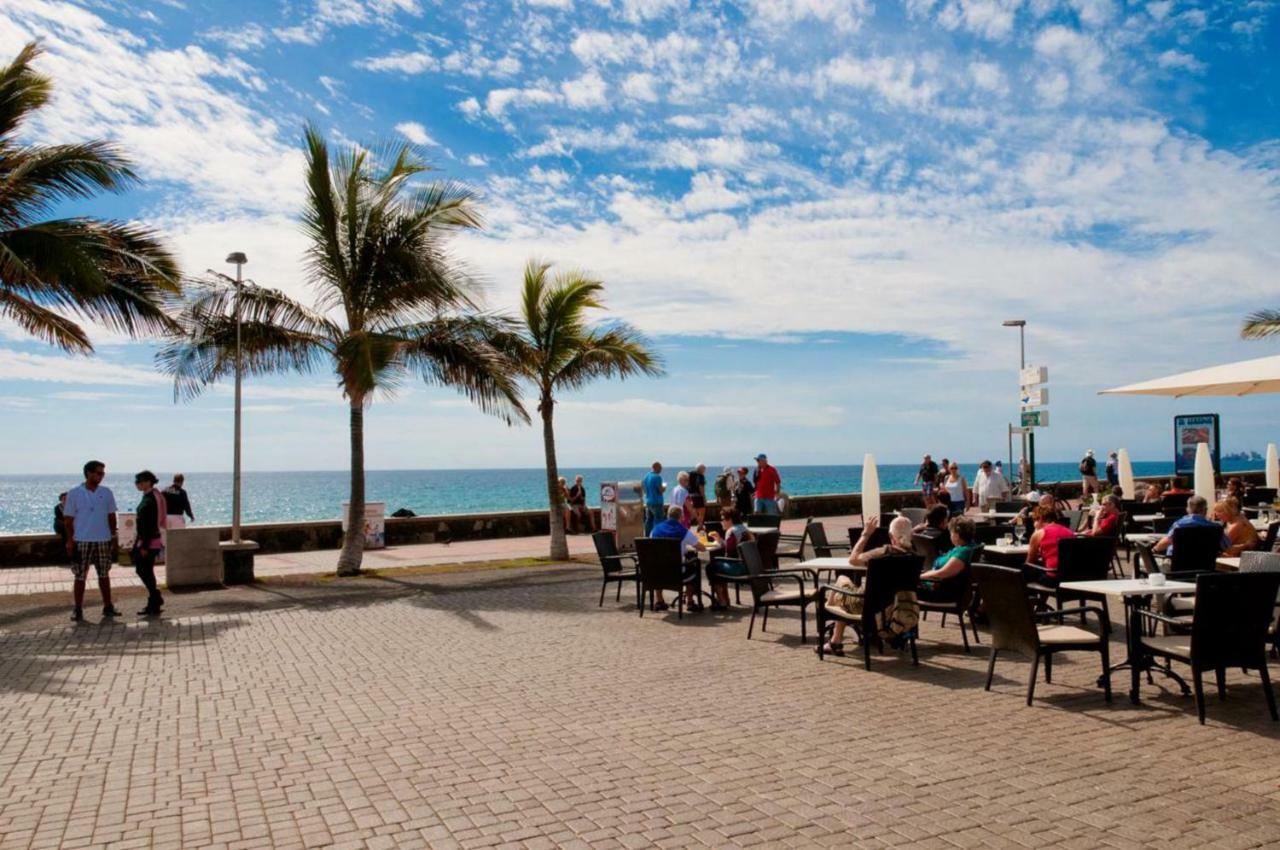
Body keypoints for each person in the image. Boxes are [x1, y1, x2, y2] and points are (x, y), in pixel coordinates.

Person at [820, 516, 918, 656]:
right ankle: (835, 637)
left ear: (890, 535)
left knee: (841, 581)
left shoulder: (882, 553)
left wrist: (865, 534)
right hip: (895, 609)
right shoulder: (913, 557)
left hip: (866, 607)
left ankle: (834, 639)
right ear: (911, 535)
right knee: (842, 590)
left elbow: (853, 560)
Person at [62, 460, 121, 622]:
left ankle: (108, 606)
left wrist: (113, 537)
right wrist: (70, 541)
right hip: (82, 540)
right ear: (89, 473)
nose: (101, 476)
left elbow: (111, 516)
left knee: (104, 574)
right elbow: (68, 519)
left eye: (103, 473)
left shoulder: (107, 493)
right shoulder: (74, 493)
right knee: (80, 575)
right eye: (98, 473)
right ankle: (78, 609)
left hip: (103, 539)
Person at [649, 505, 706, 611]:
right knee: (693, 565)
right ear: (681, 517)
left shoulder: (655, 530)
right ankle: (689, 601)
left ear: (667, 516)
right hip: (678, 571)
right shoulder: (683, 531)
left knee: (660, 563)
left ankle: (659, 600)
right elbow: (701, 548)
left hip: (659, 571)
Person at [917, 517, 979, 603]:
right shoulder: (968, 547)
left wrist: (919, 576)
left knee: (903, 586)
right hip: (939, 585)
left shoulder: (962, 552)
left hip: (943, 593)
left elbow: (943, 573)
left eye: (951, 533)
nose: (950, 535)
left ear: (956, 535)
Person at [132, 470, 167, 616]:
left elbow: (149, 524)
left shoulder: (150, 499)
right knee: (146, 570)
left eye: (139, 481)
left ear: (147, 482)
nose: (137, 484)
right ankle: (154, 600)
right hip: (150, 540)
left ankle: (155, 597)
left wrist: (144, 545)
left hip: (149, 541)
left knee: (143, 570)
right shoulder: (153, 496)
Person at [706, 507, 751, 610]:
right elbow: (734, 546)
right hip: (749, 565)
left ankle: (722, 601)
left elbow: (729, 554)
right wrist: (719, 539)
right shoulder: (744, 528)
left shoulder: (731, 531)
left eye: (722, 519)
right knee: (718, 566)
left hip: (738, 568)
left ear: (729, 520)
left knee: (711, 567)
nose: (721, 522)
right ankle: (726, 599)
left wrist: (719, 559)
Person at [1154, 495, 1228, 556]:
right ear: (1206, 510)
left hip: (1177, 567)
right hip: (1206, 567)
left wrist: (1154, 549)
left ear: (1188, 510)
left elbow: (1164, 543)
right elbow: (1227, 547)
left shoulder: (1180, 525)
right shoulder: (1216, 528)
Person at [1025, 506, 1075, 585]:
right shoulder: (1070, 532)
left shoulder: (1039, 534)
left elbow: (1030, 562)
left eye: (1034, 520)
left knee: (1022, 573)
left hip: (1052, 578)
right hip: (1070, 577)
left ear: (1040, 519)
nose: (1033, 523)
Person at [641, 462, 665, 536]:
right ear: (656, 467)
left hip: (648, 501)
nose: (661, 470)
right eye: (660, 468)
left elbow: (643, 489)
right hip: (657, 502)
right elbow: (660, 491)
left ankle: (647, 537)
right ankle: (658, 537)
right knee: (659, 520)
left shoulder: (646, 477)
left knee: (649, 520)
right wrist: (664, 488)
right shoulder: (657, 477)